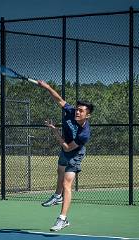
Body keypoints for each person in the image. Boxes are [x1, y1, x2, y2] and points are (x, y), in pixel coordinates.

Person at [37, 80, 94, 232]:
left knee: (66, 183)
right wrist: (47, 87)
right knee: (60, 170)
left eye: (81, 111)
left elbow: (68, 148)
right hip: (65, 149)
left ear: (87, 116)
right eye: (77, 109)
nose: (77, 112)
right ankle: (57, 196)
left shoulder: (84, 134)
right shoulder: (70, 111)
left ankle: (62, 219)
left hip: (75, 152)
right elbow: (59, 100)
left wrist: (54, 131)